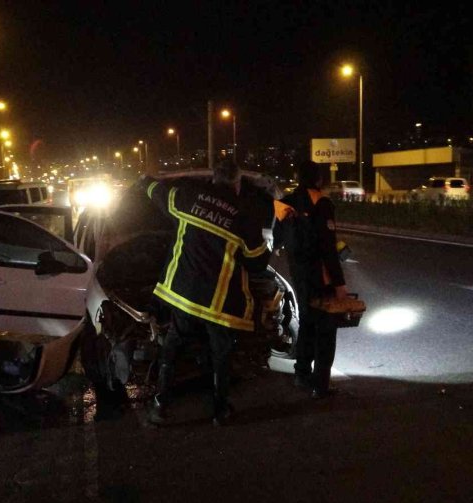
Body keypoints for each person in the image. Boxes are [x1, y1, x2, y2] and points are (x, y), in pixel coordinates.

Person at [142, 160, 270, 427]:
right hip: (219, 305)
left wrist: (146, 181)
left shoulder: (188, 198)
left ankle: (160, 407)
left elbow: (157, 192)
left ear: (213, 179)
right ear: (237, 184)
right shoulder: (244, 217)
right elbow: (258, 263)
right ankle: (220, 411)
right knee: (221, 356)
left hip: (183, 296)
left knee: (172, 349)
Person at [273, 161, 349, 399]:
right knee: (326, 329)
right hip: (320, 276)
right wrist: (339, 284)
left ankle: (302, 374)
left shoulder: (285, 203)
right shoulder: (322, 203)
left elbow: (276, 240)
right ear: (318, 179)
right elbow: (328, 247)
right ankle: (321, 385)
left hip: (299, 274)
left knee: (306, 322)